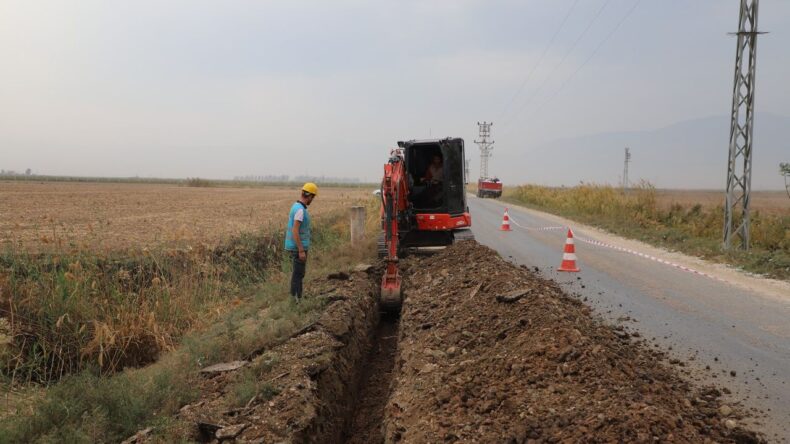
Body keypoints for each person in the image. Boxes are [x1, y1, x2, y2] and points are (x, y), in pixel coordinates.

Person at [285, 182, 318, 300]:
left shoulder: (296, 206)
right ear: (310, 196)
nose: (312, 200)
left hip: (295, 246)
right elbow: (295, 230)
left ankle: (296, 297)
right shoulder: (300, 210)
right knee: (298, 274)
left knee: (298, 273)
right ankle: (296, 300)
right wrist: (301, 250)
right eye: (312, 197)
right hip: (297, 248)